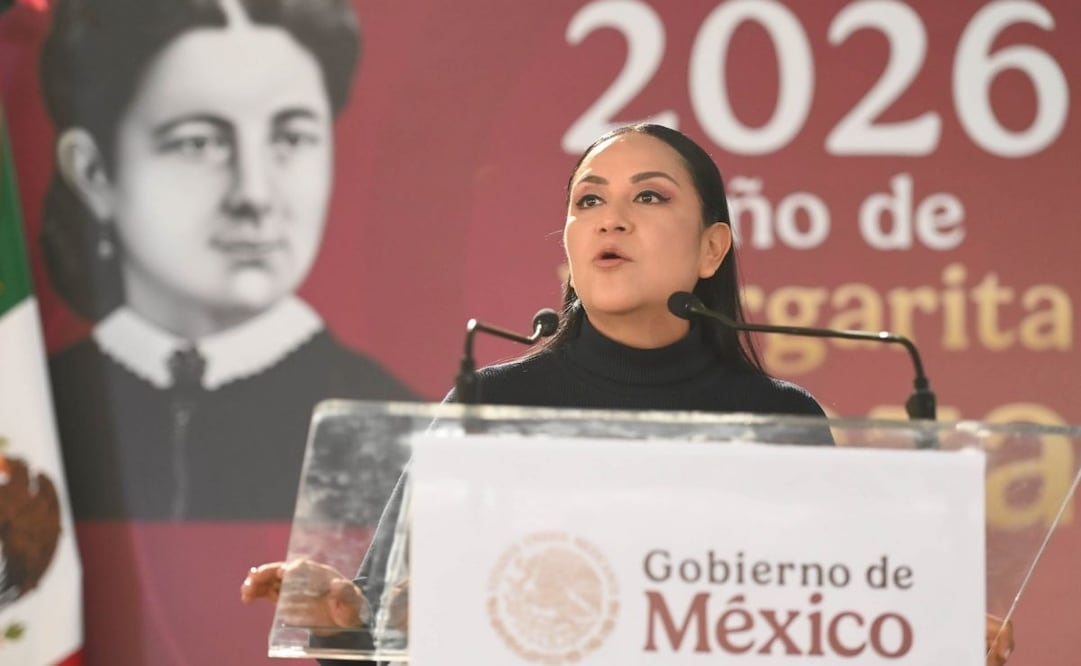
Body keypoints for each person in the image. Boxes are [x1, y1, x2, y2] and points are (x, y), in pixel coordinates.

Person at [241, 124, 1012, 665]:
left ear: (712, 248)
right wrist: (343, 617)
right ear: (571, 245)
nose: (610, 217)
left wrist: (931, 642)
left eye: (648, 198)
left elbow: (833, 632)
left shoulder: (780, 421)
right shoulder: (493, 407)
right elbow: (389, 629)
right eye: (587, 201)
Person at [39, 0, 416, 522]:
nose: (254, 195)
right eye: (200, 143)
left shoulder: (399, 427)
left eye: (290, 138)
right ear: (94, 172)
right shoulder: (32, 409)